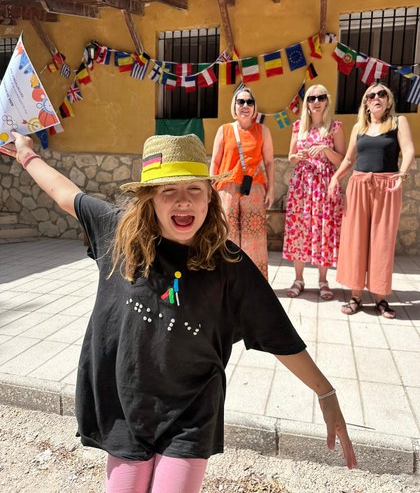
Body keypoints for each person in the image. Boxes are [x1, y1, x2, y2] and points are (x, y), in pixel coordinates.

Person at [5, 131, 357, 493]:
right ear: (149, 200)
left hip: (191, 412)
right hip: (126, 407)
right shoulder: (117, 233)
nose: (183, 201)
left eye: (194, 189)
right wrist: (26, 155)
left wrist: (325, 393)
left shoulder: (230, 264)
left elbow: (278, 334)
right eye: (168, 191)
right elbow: (65, 194)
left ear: (210, 197)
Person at [329, 83, 415, 319]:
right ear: (366, 103)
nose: (376, 97)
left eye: (381, 94)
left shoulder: (398, 122)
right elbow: (348, 159)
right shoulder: (360, 126)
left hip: (387, 185)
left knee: (382, 240)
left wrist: (402, 174)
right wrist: (336, 178)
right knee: (355, 239)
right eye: (371, 95)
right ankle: (356, 296)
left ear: (388, 100)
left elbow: (407, 151)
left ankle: (380, 297)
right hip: (359, 185)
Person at [283, 85, 346, 300]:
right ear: (306, 103)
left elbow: (342, 161)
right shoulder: (298, 126)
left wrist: (326, 150)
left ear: (327, 101)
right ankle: (298, 279)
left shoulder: (335, 127)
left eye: (320, 97)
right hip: (302, 185)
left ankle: (323, 280)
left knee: (323, 230)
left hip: (324, 186)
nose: (316, 101)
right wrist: (297, 156)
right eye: (311, 98)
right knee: (298, 229)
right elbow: (290, 157)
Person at [210, 87, 274, 279]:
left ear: (254, 108)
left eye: (249, 102)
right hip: (227, 189)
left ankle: (254, 280)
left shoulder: (263, 130)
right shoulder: (224, 130)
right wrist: (211, 190)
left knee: (253, 238)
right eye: (241, 102)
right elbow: (214, 161)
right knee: (226, 235)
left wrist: (271, 188)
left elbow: (269, 161)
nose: (245, 106)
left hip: (253, 189)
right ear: (234, 106)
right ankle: (226, 278)